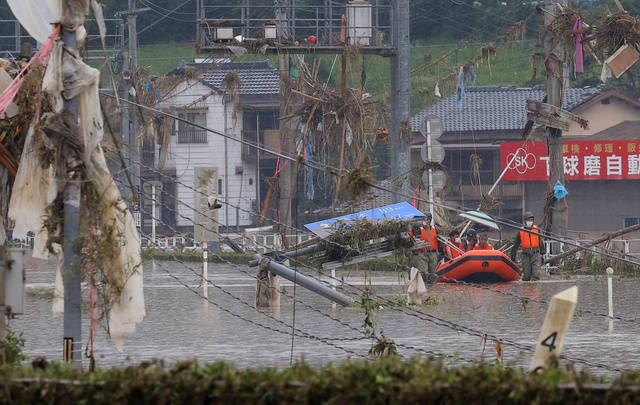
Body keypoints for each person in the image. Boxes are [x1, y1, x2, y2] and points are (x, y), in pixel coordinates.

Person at [510, 211, 543, 281]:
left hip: (535, 253)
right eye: (528, 220)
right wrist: (513, 255)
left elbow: (541, 241)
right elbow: (516, 244)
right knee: (527, 276)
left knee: (536, 275)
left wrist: (543, 253)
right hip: (525, 254)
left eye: (531, 220)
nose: (530, 221)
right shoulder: (521, 231)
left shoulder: (537, 229)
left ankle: (535, 290)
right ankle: (527, 290)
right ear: (525, 221)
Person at [419, 213, 439, 284]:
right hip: (423, 253)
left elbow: (437, 241)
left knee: (433, 272)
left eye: (425, 219)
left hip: (433, 253)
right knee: (424, 272)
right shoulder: (419, 230)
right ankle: (424, 286)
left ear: (429, 220)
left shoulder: (434, 229)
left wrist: (438, 253)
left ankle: (432, 289)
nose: (423, 221)